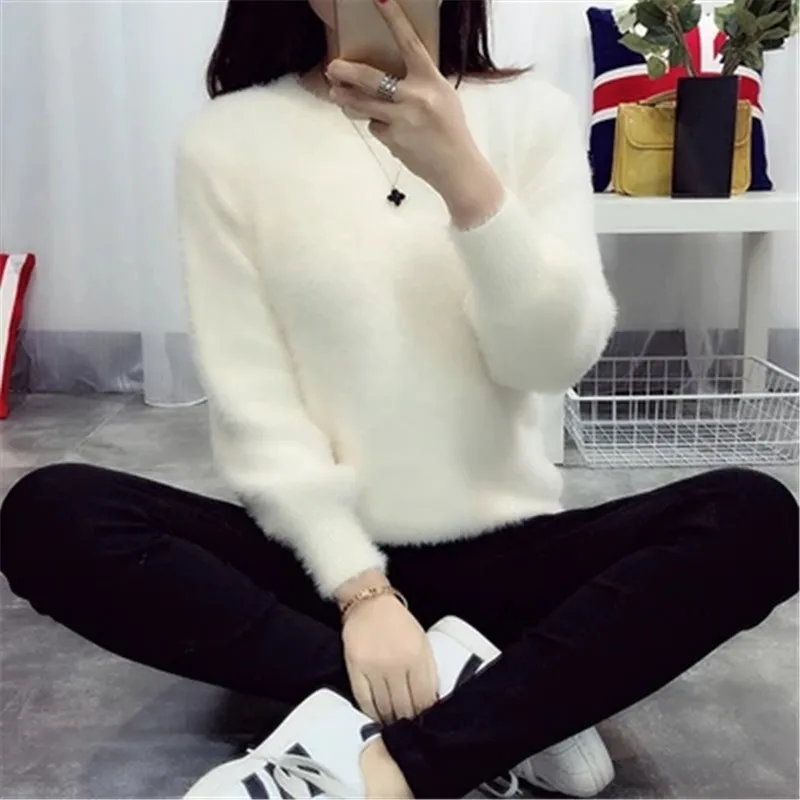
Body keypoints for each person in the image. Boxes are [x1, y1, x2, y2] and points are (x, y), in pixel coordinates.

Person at [1, 0, 797, 797]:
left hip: (507, 555)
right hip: (319, 569)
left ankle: (400, 756)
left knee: (756, 518)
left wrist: (465, 179)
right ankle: (503, 709)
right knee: (51, 514)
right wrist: (362, 591)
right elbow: (256, 403)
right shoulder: (228, 142)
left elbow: (549, 360)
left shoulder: (531, 116)